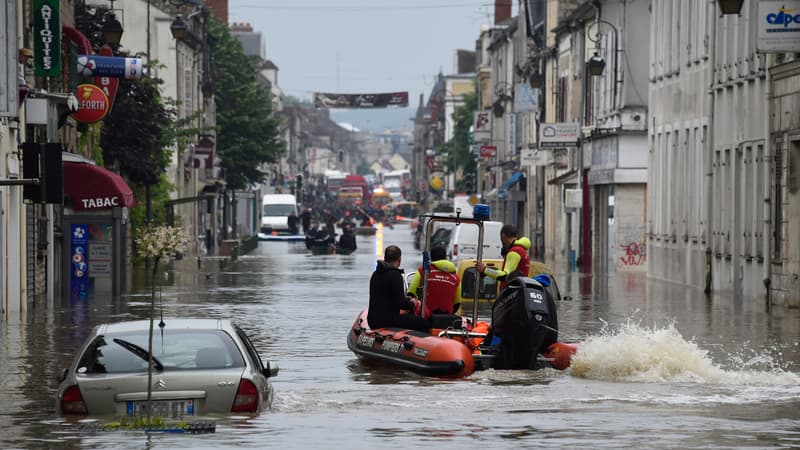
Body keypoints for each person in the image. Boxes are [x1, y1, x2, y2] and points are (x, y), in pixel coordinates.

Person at [368, 245, 430, 332]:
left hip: (372, 320)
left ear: (385, 258)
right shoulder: (395, 275)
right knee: (423, 323)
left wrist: (405, 299)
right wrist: (412, 303)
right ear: (399, 259)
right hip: (387, 320)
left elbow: (386, 296)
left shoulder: (376, 274)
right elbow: (401, 304)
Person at [406, 245, 460, 318]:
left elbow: (411, 293)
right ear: (446, 258)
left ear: (431, 258)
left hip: (425, 317)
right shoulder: (456, 278)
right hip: (446, 319)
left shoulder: (423, 272)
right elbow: (457, 303)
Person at [475, 224, 531, 291]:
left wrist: (485, 270)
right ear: (516, 236)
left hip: (511, 295)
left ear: (503, 236)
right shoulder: (522, 250)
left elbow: (504, 276)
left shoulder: (514, 251)